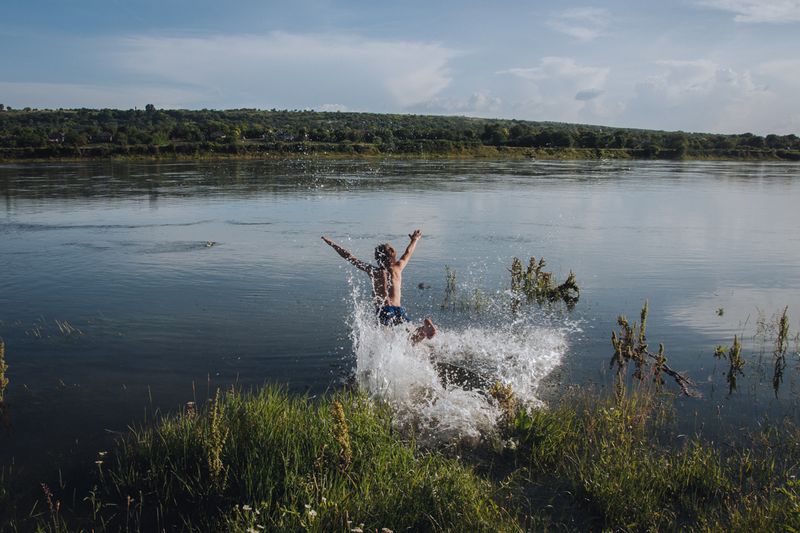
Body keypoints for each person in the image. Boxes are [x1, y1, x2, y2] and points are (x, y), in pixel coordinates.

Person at [322, 230, 436, 343]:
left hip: (384, 310)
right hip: (399, 309)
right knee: (411, 335)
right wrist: (414, 240)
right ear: (393, 256)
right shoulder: (398, 268)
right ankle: (424, 329)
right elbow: (408, 252)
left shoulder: (373, 271)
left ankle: (419, 333)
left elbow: (349, 257)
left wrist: (332, 244)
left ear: (377, 259)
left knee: (389, 340)